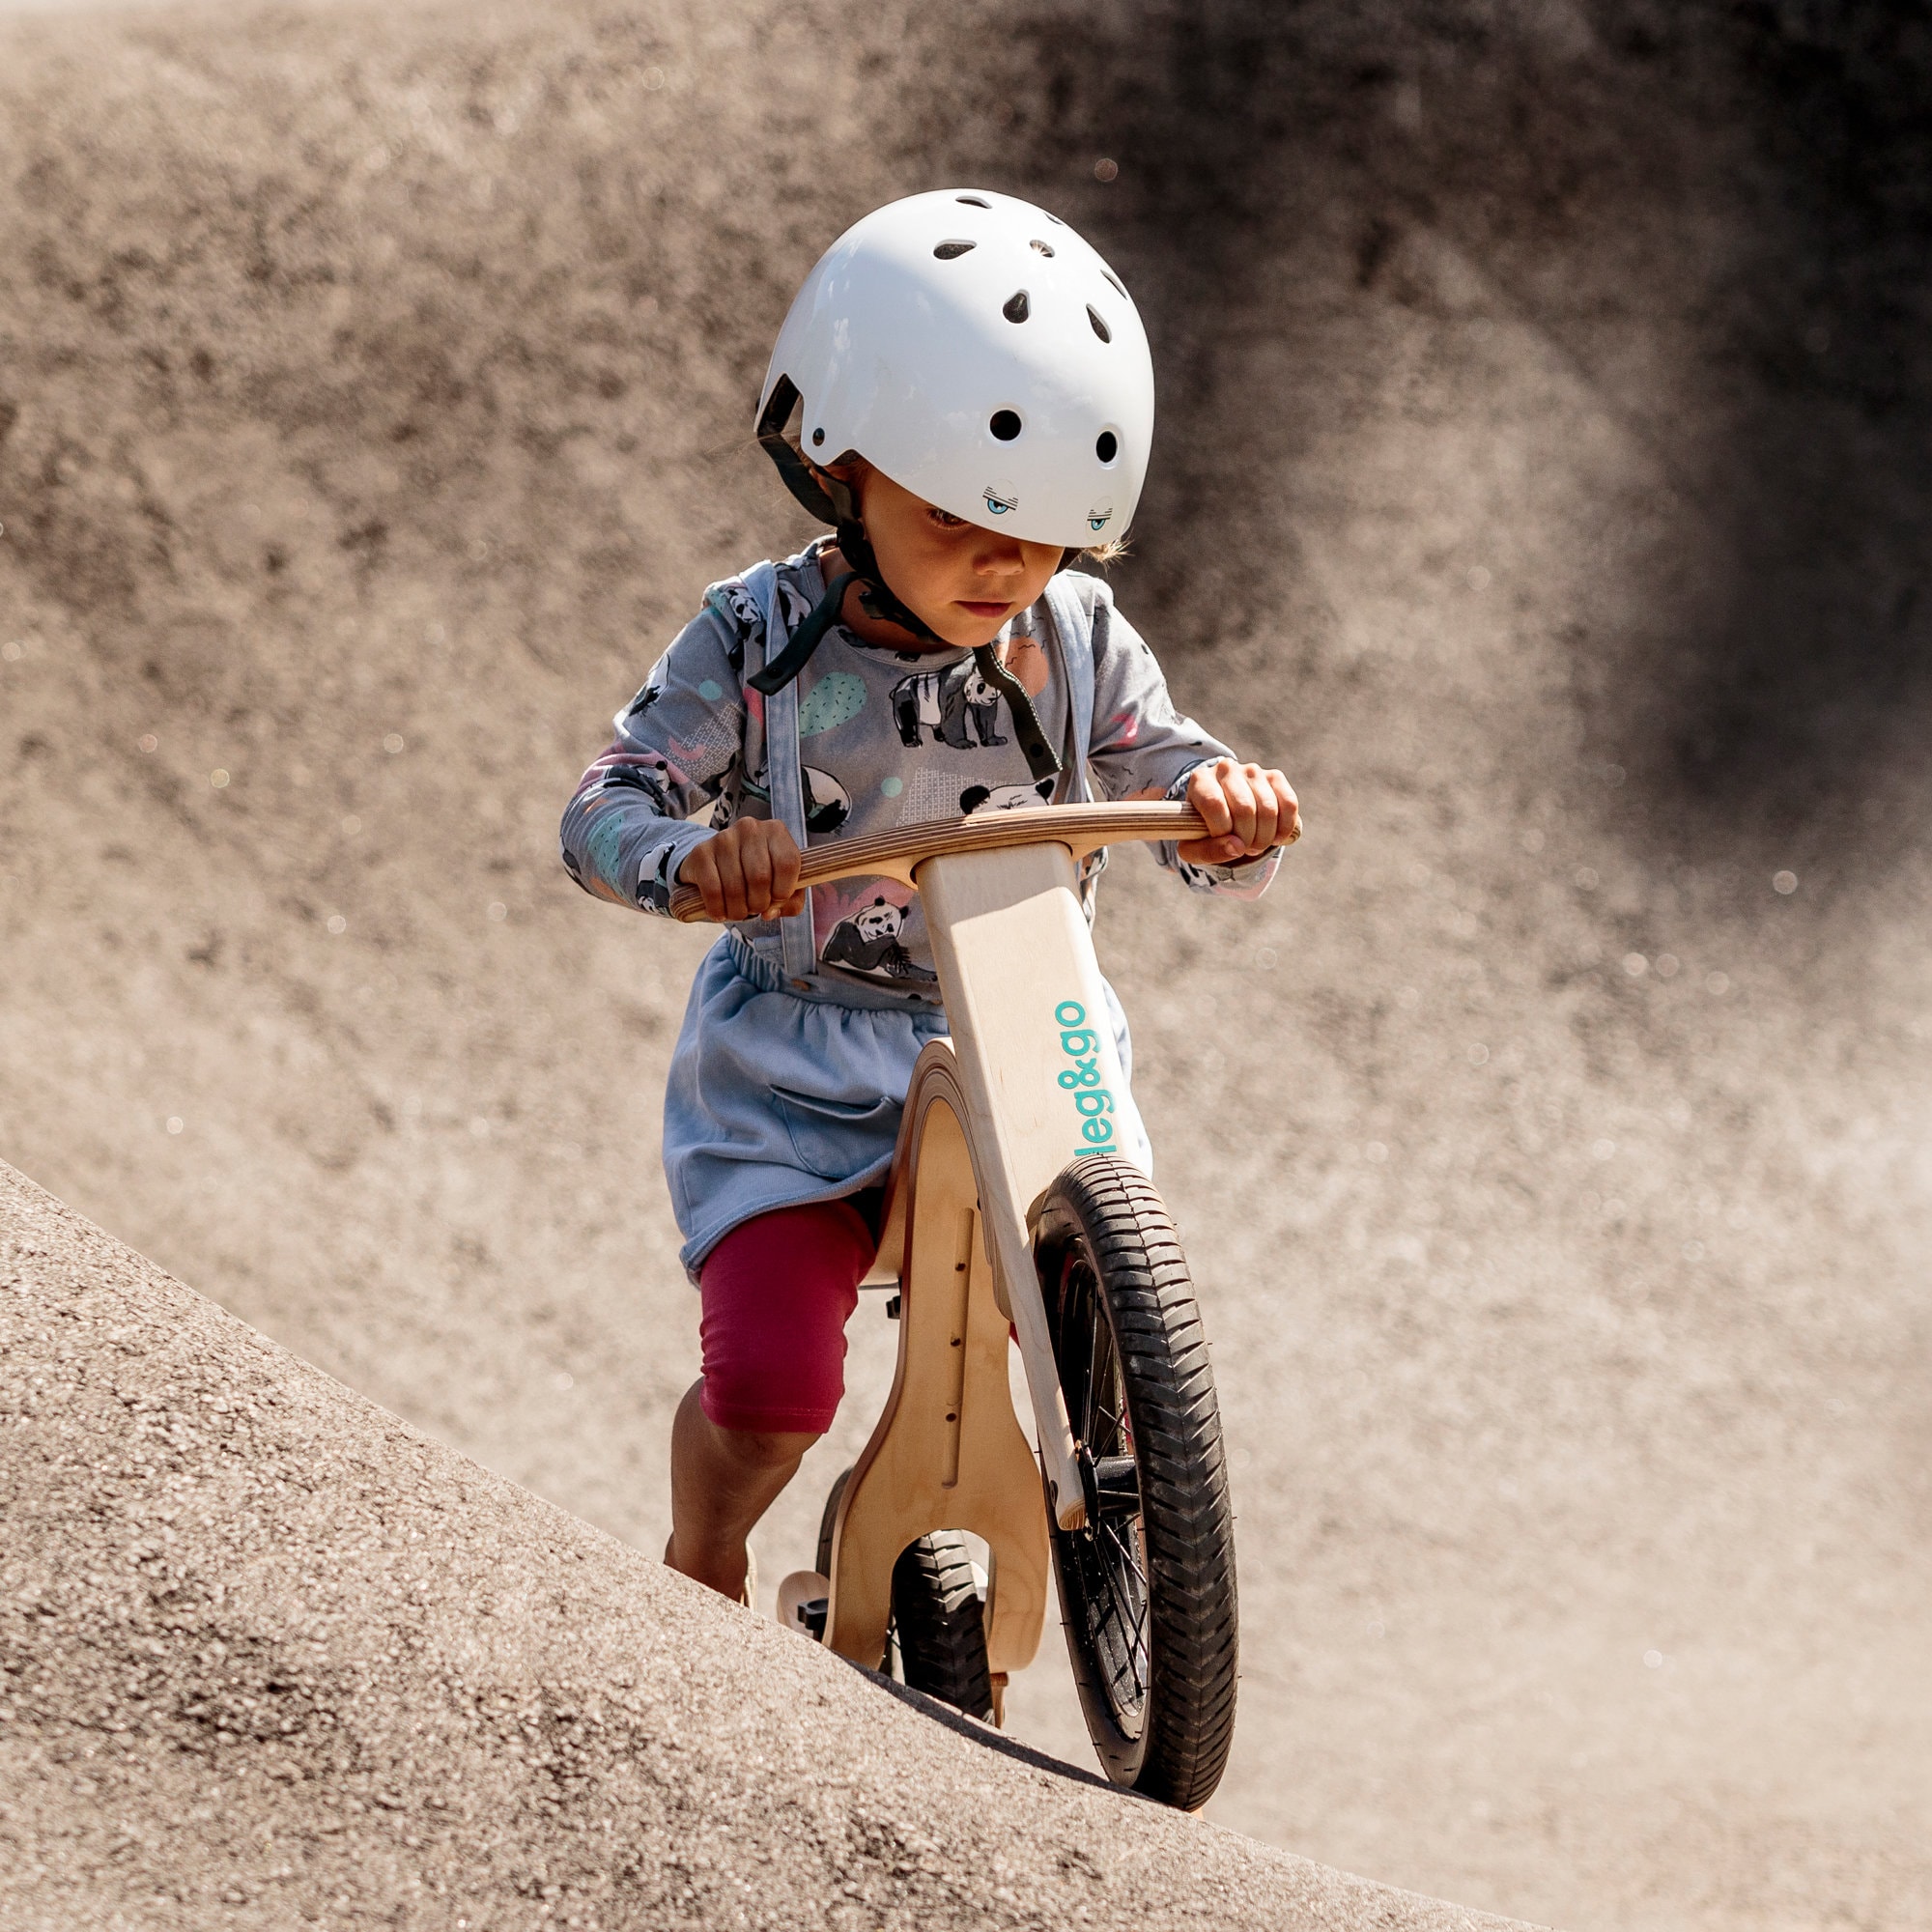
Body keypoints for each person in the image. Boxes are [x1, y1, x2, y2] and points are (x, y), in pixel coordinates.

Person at [559, 189, 1300, 1605]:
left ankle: (1131, 1579)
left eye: (1043, 536)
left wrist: (1225, 815)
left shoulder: (1075, 640)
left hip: (1029, 1037)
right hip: (799, 1070)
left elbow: (1171, 776)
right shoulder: (756, 639)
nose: (1000, 565)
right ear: (841, 462)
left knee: (1118, 1349)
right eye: (957, 515)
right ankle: (704, 1554)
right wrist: (688, 860)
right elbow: (606, 803)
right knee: (773, 1388)